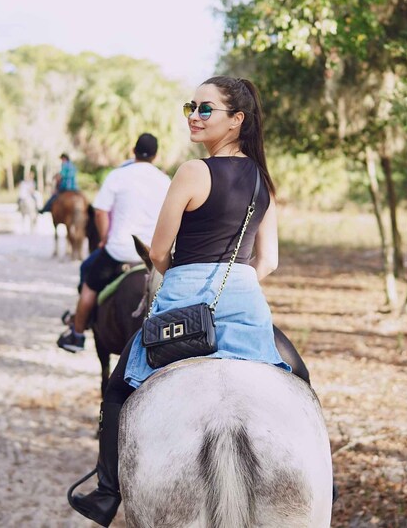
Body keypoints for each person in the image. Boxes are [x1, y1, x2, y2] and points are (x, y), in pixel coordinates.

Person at [66, 76, 311, 527]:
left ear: (236, 120)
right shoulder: (263, 180)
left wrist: (186, 272)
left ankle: (106, 493)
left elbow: (159, 252)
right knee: (301, 379)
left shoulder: (193, 172)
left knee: (118, 388)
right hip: (244, 302)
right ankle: (324, 483)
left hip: (182, 301)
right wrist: (236, 281)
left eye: (205, 109)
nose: (194, 116)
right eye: (190, 107)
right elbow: (269, 261)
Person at [57, 134, 170, 353]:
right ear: (155, 156)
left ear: (133, 151)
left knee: (88, 277)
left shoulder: (118, 176)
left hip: (119, 252)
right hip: (153, 257)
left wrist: (104, 238)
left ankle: (77, 333)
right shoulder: (165, 181)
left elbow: (100, 212)